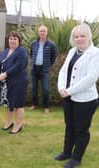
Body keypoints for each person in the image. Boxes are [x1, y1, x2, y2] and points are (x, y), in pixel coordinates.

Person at [55, 23, 99, 168]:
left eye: (82, 36)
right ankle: (67, 152)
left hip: (86, 100)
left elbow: (91, 78)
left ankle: (76, 158)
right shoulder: (72, 51)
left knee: (81, 130)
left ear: (88, 37)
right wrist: (61, 87)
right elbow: (63, 71)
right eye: (76, 36)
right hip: (69, 97)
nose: (79, 39)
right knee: (69, 127)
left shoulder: (95, 53)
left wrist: (69, 91)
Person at [0, 31, 28, 134]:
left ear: (19, 41)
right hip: (7, 83)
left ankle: (18, 126)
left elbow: (19, 65)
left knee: (18, 105)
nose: (12, 40)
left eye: (15, 39)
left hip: (19, 82)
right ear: (7, 40)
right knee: (9, 104)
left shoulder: (21, 51)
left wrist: (5, 74)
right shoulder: (4, 51)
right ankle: (9, 123)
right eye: (10, 38)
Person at [29, 25, 57, 113]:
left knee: (46, 90)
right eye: (40, 31)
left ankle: (46, 107)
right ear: (38, 32)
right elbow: (31, 54)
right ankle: (34, 104)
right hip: (34, 69)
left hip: (45, 70)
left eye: (44, 31)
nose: (42, 33)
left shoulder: (51, 44)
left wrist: (48, 65)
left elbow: (53, 57)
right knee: (34, 89)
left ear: (47, 33)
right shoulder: (33, 43)